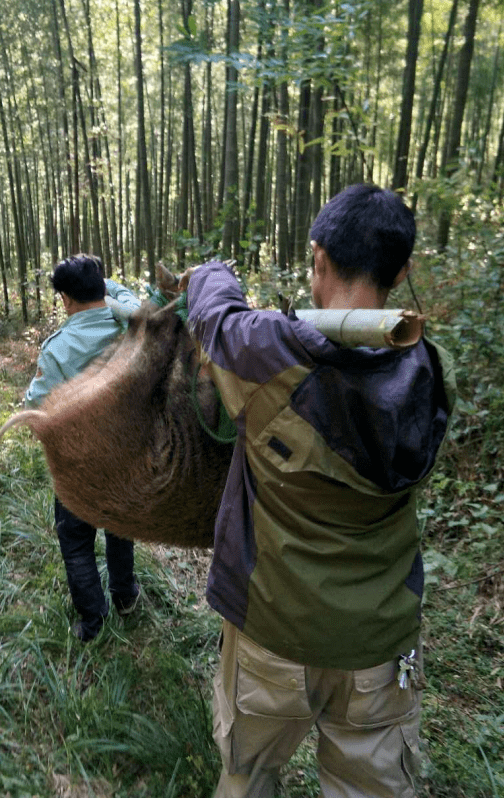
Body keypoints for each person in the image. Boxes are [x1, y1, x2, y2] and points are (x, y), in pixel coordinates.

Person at [184, 184, 456, 797]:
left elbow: (216, 319)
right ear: (402, 270)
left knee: (247, 776)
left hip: (270, 632)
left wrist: (212, 272)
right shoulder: (429, 371)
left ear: (319, 259)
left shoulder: (266, 351)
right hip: (379, 647)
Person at [26, 254, 141, 642]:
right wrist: (107, 291)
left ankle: (93, 621)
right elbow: (133, 302)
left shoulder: (57, 349)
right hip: (125, 455)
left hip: (79, 466)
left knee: (76, 541)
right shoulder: (130, 326)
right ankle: (125, 597)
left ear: (65, 300)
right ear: (102, 288)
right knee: (120, 529)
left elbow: (37, 408)